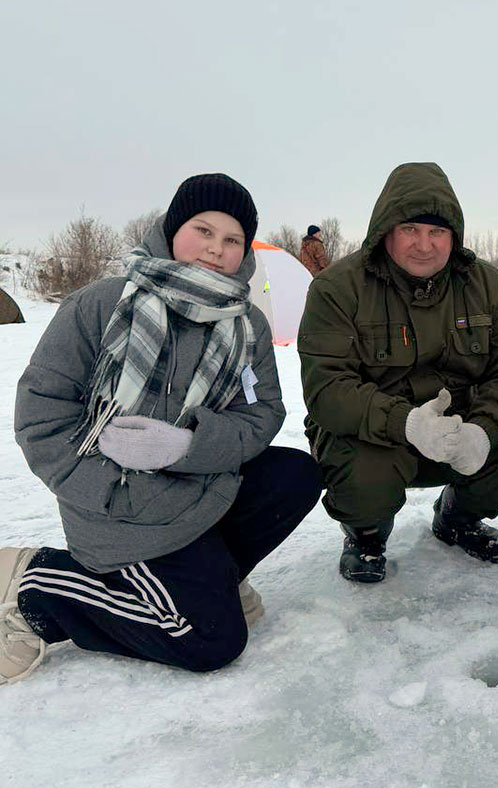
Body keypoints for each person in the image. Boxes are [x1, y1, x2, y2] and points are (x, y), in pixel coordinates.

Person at [1, 173, 322, 686]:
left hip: (198, 486)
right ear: (172, 229)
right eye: (203, 230)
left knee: (296, 473)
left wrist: (189, 446)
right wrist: (109, 492)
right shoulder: (102, 304)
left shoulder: (247, 325)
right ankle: (37, 586)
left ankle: (218, 574)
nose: (217, 250)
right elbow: (41, 415)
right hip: (123, 509)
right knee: (209, 641)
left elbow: (261, 415)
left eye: (232, 239)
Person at [298, 162, 498, 583]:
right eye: (411, 229)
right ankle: (366, 533)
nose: (424, 245)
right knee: (363, 479)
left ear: (454, 236)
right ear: (386, 230)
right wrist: (407, 423)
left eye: (437, 232)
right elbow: (328, 387)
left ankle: (459, 517)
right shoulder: (337, 288)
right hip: (376, 439)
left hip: (459, 433)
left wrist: (482, 430)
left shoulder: (485, 283)